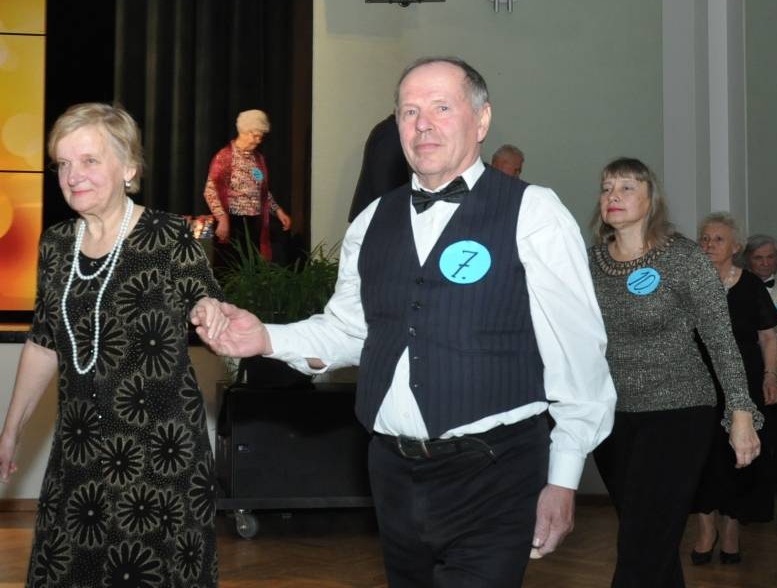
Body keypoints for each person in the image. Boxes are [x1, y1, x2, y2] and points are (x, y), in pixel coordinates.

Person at [196, 57, 618, 586]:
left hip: (497, 471)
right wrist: (263, 337)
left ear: (482, 120)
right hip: (392, 473)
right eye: (409, 112)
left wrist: (564, 477)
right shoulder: (371, 222)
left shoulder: (534, 212)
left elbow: (578, 351)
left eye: (442, 108)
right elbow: (349, 331)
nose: (423, 124)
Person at [0, 103, 224, 587]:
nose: (73, 175)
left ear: (129, 168)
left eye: (89, 160)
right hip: (78, 452)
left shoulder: (168, 235)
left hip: (160, 457)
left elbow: (207, 302)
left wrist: (207, 310)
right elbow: (43, 343)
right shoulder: (56, 245)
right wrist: (11, 432)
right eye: (63, 163)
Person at [587, 158, 762, 586]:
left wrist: (740, 412)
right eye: (607, 188)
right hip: (613, 417)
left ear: (651, 200)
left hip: (679, 411)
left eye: (627, 187)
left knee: (642, 542)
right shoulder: (590, 263)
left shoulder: (682, 257)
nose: (614, 196)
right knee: (651, 538)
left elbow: (720, 338)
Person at [690, 216, 777, 564]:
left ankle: (730, 531)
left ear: (735, 247)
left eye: (718, 239)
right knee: (701, 458)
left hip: (744, 386)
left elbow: (768, 338)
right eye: (704, 238)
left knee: (737, 460)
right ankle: (705, 531)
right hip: (698, 385)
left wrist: (770, 376)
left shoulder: (751, 285)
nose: (709, 244)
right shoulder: (691, 282)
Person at [203, 109, 291, 263]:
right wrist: (222, 218)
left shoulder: (258, 159)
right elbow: (210, 191)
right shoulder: (224, 157)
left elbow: (262, 191)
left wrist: (278, 211)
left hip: (253, 223)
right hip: (232, 222)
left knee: (252, 266)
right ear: (244, 131)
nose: (258, 141)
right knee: (231, 267)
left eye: (261, 137)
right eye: (255, 136)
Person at [743, 234, 777, 530]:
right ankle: (754, 511)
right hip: (750, 381)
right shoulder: (738, 289)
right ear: (748, 259)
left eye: (771, 257)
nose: (766, 263)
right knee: (754, 446)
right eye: (759, 257)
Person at [347, 113, 410, 221]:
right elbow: (384, 190)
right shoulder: (392, 133)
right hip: (378, 221)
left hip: (380, 218)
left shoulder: (395, 131)